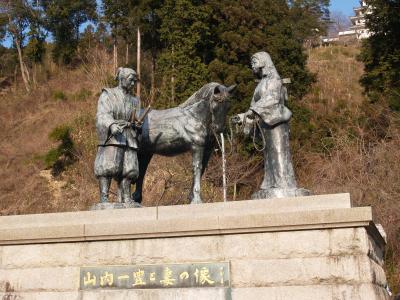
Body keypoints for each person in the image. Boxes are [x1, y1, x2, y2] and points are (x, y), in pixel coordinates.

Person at [240, 51, 309, 199]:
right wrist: (246, 117)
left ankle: (285, 183)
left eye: (255, 61)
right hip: (265, 123)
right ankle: (271, 183)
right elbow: (254, 104)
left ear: (264, 61)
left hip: (277, 122)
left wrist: (253, 110)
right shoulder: (260, 85)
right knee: (268, 155)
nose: (252, 65)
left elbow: (272, 99)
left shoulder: (274, 79)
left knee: (279, 152)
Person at [94, 67, 141, 205]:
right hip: (114, 134)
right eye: (131, 81)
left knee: (130, 168)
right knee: (108, 166)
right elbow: (102, 114)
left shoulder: (135, 101)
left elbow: (135, 119)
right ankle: (104, 198)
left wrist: (137, 125)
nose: (133, 84)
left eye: (134, 82)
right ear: (122, 79)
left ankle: (127, 198)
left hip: (129, 135)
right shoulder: (108, 94)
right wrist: (111, 125)